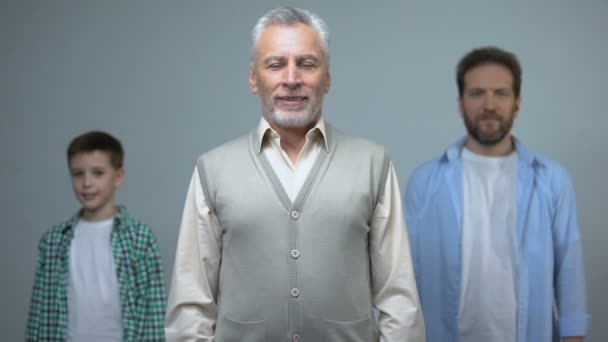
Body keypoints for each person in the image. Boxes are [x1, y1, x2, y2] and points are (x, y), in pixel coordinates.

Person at [165, 6, 424, 342]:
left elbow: (399, 297)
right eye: (275, 64)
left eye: (307, 63)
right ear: (253, 78)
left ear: (327, 77)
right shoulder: (212, 169)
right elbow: (190, 303)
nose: (291, 79)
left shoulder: (373, 163)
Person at [404, 46, 590, 342]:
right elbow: (404, 273)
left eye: (501, 93)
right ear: (461, 104)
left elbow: (568, 265)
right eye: (477, 93)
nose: (489, 104)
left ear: (517, 104)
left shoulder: (552, 179)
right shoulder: (425, 181)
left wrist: (574, 335)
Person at [25, 131, 167, 341]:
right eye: (78, 173)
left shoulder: (141, 239)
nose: (87, 183)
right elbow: (39, 313)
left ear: (118, 177)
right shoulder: (53, 241)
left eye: (98, 173)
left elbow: (153, 313)